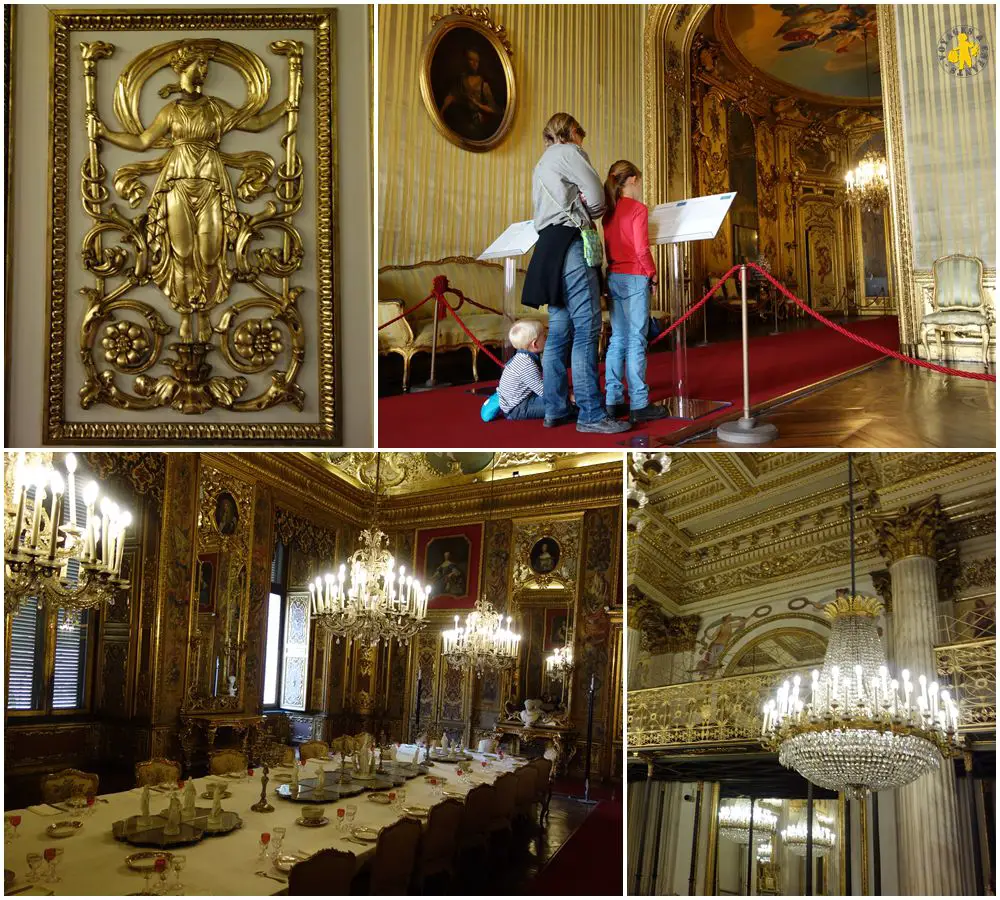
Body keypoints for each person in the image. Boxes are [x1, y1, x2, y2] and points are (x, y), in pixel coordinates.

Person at [93, 41, 289, 343]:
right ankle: (186, 315)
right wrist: (104, 132)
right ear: (182, 68)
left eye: (206, 65)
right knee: (181, 252)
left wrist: (290, 104)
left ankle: (207, 312)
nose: (205, 69)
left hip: (211, 182)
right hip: (177, 183)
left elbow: (257, 123)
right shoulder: (170, 111)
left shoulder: (216, 107)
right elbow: (142, 142)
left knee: (211, 252)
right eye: (199, 64)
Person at [522, 113, 630, 434]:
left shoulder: (540, 163)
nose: (583, 141)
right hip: (571, 242)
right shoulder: (570, 152)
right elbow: (597, 198)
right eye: (581, 134)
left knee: (558, 330)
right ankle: (591, 414)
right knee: (586, 329)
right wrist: (593, 209)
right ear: (570, 132)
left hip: (548, 247)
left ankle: (555, 409)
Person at [602, 160, 668, 423]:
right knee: (636, 340)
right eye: (638, 180)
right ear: (631, 180)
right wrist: (652, 273)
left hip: (614, 276)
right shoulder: (638, 209)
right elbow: (641, 249)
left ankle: (613, 400)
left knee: (617, 339)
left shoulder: (608, 211)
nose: (639, 186)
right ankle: (639, 402)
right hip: (635, 276)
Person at [440, 48, 500, 141]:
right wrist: (441, 113)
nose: (474, 63)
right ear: (465, 61)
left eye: (477, 61)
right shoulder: (460, 79)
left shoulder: (483, 84)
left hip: (477, 123)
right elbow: (451, 96)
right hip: (461, 119)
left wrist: (476, 103)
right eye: (471, 60)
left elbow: (493, 109)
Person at [496, 320, 546, 420]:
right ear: (535, 344)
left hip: (517, 401)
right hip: (517, 408)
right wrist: (566, 396)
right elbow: (543, 391)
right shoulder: (526, 364)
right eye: (544, 336)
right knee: (557, 405)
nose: (546, 338)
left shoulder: (521, 357)